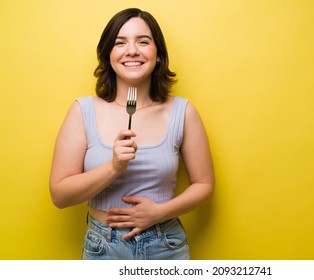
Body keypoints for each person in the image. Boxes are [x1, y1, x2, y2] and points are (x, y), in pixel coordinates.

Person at [49, 8, 214, 260]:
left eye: (143, 41)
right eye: (120, 42)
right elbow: (59, 196)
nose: (132, 50)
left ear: (158, 55)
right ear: (108, 55)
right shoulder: (82, 111)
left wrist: (160, 212)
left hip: (165, 245)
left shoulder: (184, 111)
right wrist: (114, 167)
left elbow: (204, 185)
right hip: (103, 247)